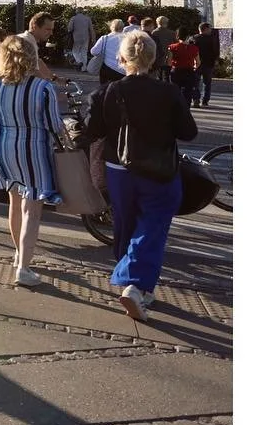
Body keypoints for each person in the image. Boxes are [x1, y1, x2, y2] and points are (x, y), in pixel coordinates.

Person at [84, 29, 197, 321]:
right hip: (158, 170)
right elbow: (188, 133)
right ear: (155, 58)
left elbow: (91, 132)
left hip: (118, 170)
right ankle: (135, 285)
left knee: (126, 223)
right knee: (153, 227)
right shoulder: (169, 92)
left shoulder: (106, 92)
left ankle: (135, 284)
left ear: (121, 58)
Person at [0, 33, 64, 288]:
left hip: (3, 145)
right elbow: (54, 126)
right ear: (31, 58)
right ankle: (24, 268)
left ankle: (19, 253)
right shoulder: (43, 88)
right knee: (32, 208)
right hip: (34, 148)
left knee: (14, 201)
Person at [17, 11, 63, 84]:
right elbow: (33, 71)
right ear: (34, 27)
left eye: (52, 30)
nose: (51, 33)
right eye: (47, 29)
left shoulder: (23, 38)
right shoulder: (27, 42)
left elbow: (38, 62)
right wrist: (47, 87)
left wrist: (55, 78)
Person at [166, 28, 201, 107]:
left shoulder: (172, 47)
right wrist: (194, 67)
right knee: (188, 92)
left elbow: (168, 62)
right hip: (189, 71)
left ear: (177, 36)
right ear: (188, 36)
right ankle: (186, 109)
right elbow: (198, 62)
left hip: (176, 71)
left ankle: (175, 107)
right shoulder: (194, 48)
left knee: (175, 91)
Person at [89, 18, 127, 86]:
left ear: (112, 27)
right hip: (123, 70)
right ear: (122, 27)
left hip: (107, 68)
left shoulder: (105, 38)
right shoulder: (127, 38)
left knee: (105, 90)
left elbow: (93, 51)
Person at [193, 22, 220, 107]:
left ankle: (196, 99)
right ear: (205, 29)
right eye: (210, 28)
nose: (211, 30)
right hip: (209, 63)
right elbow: (216, 51)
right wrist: (216, 60)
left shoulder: (194, 38)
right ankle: (205, 100)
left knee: (195, 83)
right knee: (207, 83)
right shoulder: (212, 39)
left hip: (197, 63)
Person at [150, 15, 176, 83]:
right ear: (166, 23)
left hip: (157, 58)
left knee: (158, 77)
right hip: (169, 57)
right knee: (167, 77)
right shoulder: (172, 33)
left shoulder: (154, 33)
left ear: (157, 23)